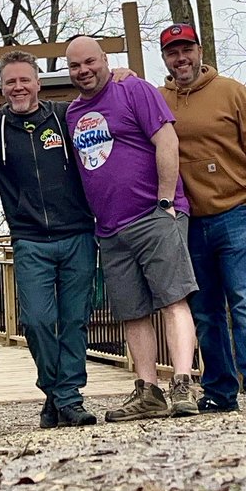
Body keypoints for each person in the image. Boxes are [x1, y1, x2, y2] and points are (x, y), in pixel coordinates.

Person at [65, 35, 199, 422]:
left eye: (90, 61)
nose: (83, 70)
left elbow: (166, 140)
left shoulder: (134, 89)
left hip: (153, 214)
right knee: (132, 310)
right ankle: (147, 390)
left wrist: (165, 201)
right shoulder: (74, 113)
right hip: (109, 228)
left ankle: (183, 382)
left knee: (174, 298)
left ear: (105, 60)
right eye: (75, 66)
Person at [158, 22, 246, 413]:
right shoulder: (158, 98)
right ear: (165, 58)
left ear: (199, 51)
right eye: (172, 53)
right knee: (205, 307)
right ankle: (219, 388)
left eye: (186, 50)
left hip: (237, 209)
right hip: (188, 220)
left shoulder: (231, 92)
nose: (181, 59)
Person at [0, 50, 98, 429]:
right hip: (30, 239)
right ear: (1, 87)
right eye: (10, 81)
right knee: (37, 321)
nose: (18, 87)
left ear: (38, 82)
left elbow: (106, 107)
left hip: (78, 233)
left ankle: (66, 397)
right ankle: (61, 394)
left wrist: (125, 76)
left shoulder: (64, 117)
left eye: (24, 79)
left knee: (75, 320)